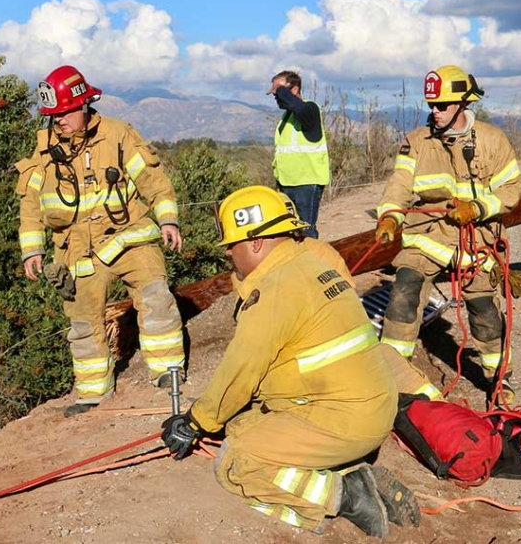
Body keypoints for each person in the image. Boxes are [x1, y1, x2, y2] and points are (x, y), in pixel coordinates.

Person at [162, 185, 418, 538]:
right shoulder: (311, 263)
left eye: (231, 247)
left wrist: (194, 422)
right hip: (367, 408)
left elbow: (241, 372)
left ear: (255, 242)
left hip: (342, 420)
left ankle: (345, 495)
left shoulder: (274, 290)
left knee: (238, 463)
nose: (229, 258)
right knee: (239, 427)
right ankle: (346, 472)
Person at [15, 65, 185, 417]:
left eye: (63, 113)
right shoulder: (44, 149)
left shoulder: (118, 134)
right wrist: (32, 249)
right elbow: (30, 203)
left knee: (156, 296)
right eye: (52, 114)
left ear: (83, 106)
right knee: (83, 322)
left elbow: (154, 180)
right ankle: (93, 392)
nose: (57, 120)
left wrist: (168, 219)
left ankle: (167, 372)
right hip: (79, 251)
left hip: (129, 239)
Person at [374, 65, 521, 404]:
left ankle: (499, 380)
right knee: (404, 291)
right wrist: (389, 217)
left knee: (484, 312)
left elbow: (513, 189)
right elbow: (399, 185)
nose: (435, 112)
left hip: (478, 241)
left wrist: (477, 208)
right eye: (431, 105)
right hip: (428, 236)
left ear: (463, 104)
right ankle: (392, 375)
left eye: (442, 105)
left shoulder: (492, 140)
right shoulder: (416, 142)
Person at [268, 70, 329, 239]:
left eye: (279, 92)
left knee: (306, 232)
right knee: (289, 232)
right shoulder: (286, 117)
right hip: (287, 183)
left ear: (294, 90)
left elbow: (298, 107)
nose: (277, 97)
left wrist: (281, 90)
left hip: (307, 182)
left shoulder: (310, 109)